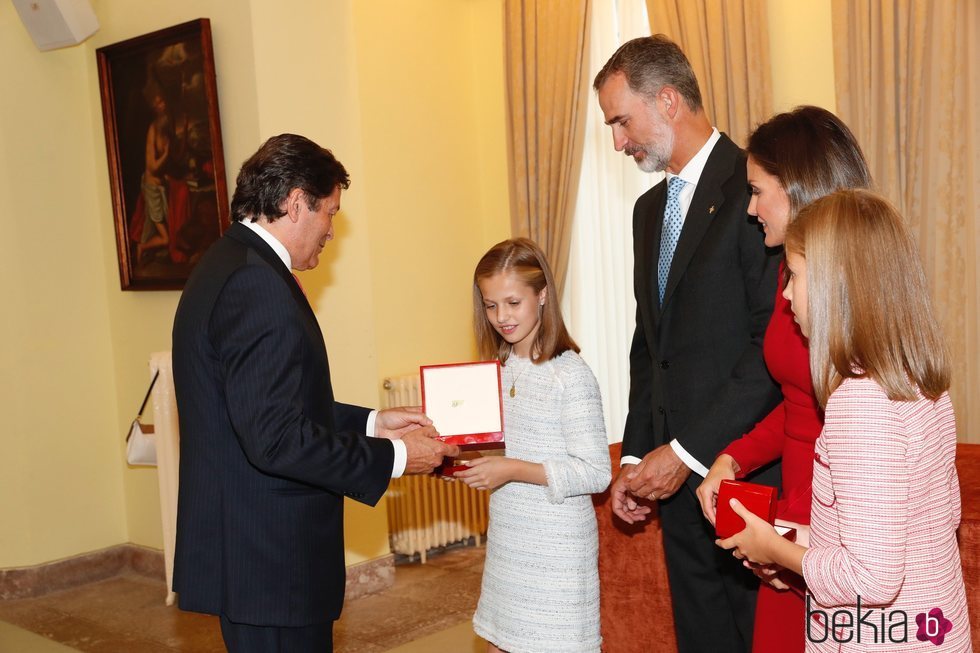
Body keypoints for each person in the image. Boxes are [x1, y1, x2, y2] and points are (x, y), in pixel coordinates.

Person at [171, 133, 458, 653]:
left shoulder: (230, 263)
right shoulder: (254, 284)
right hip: (272, 562)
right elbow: (276, 439)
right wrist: (394, 457)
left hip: (255, 556)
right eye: (329, 212)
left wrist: (372, 423)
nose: (331, 229)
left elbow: (268, 406)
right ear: (296, 201)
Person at [718, 189, 972, 652]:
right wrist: (786, 539)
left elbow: (871, 579)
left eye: (793, 275)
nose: (787, 293)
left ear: (836, 282)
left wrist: (774, 550)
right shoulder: (916, 378)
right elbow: (916, 525)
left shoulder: (860, 401)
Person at [592, 35, 782, 652]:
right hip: (674, 486)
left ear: (668, 101)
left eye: (621, 121)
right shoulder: (648, 210)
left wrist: (689, 451)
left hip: (746, 473)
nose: (618, 142)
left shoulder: (757, 188)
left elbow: (769, 349)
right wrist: (635, 457)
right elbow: (650, 346)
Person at [694, 106, 873, 652]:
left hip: (839, 517)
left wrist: (788, 546)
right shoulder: (790, 273)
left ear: (798, 188)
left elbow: (849, 424)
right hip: (794, 506)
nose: (750, 209)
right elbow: (801, 403)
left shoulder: (844, 289)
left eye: (757, 191)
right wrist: (734, 457)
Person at [456, 238, 611, 653]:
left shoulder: (570, 375)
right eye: (490, 305)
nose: (501, 317)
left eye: (512, 303)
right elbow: (501, 443)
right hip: (510, 534)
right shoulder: (501, 368)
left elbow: (596, 472)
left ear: (542, 295)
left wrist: (512, 469)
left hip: (556, 544)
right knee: (501, 643)